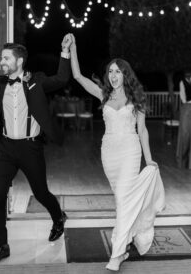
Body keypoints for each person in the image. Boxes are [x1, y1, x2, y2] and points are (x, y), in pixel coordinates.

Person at [68, 33, 165, 271]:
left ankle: (117, 253)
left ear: (125, 74)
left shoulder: (137, 98)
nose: (113, 76)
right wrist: (74, 48)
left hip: (130, 152)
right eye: (110, 71)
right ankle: (125, 244)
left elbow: (142, 131)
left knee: (123, 200)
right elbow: (78, 76)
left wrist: (149, 159)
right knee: (122, 201)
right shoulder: (104, 94)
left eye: (117, 72)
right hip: (109, 153)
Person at [0, 35, 72, 263]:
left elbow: (61, 79)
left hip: (31, 148)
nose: (2, 62)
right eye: (1, 58)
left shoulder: (35, 81)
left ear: (19, 62)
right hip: (6, 148)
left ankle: (58, 217)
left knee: (40, 192)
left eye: (6, 58)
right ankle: (1, 245)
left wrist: (65, 51)